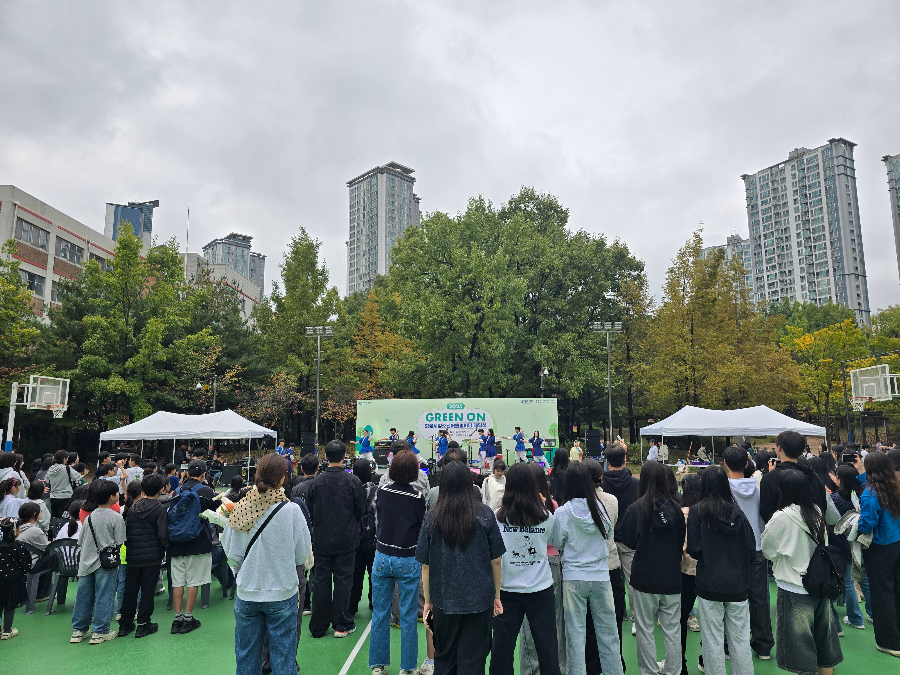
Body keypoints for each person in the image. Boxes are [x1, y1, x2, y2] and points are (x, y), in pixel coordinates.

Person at [223, 453, 311, 675]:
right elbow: (302, 557)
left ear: (256, 475)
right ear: (283, 478)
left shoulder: (241, 509)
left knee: (246, 658)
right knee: (284, 659)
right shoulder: (292, 511)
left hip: (247, 592)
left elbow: (232, 554)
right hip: (282, 592)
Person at [416, 462, 506, 675]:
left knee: (444, 658)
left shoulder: (433, 517)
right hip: (479, 599)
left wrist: (427, 600)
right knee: (473, 661)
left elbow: (425, 565)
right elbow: (496, 560)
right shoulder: (484, 514)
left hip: (444, 600)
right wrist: (497, 595)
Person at [762, 469, 843, 673]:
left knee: (800, 648)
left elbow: (768, 549)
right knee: (824, 642)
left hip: (794, 586)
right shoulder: (816, 510)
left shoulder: (781, 517)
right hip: (820, 583)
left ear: (783, 490)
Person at [615, 461, 685, 675]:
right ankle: (674, 671)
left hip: (643, 577)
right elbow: (680, 539)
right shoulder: (676, 509)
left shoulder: (637, 508)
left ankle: (648, 671)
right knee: (672, 629)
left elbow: (626, 539)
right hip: (672, 578)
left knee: (645, 629)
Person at [490, 463, 561, 675]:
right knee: (547, 648)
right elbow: (554, 542)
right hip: (540, 589)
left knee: (502, 649)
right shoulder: (546, 516)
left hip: (506, 590)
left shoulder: (497, 517)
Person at [553, 461, 622, 675]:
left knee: (575, 636)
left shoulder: (563, 512)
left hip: (573, 579)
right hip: (601, 577)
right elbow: (608, 537)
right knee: (609, 635)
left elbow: (556, 543)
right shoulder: (602, 507)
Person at [686, 465, 755, 675]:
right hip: (738, 586)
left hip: (709, 584)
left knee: (712, 640)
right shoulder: (738, 513)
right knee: (741, 640)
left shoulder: (698, 511)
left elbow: (694, 549)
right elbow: (751, 549)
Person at [368, 450, 426, 675]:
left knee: (380, 612)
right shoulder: (418, 498)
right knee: (409, 614)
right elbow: (420, 528)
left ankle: (378, 666)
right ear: (414, 472)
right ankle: (408, 667)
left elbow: (377, 519)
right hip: (407, 557)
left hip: (382, 555)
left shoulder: (381, 491)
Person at [306, 439, 365, 639]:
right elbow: (360, 511)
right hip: (346, 539)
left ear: (325, 457)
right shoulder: (353, 481)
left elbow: (311, 512)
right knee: (343, 580)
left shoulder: (316, 482)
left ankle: (318, 626)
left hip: (321, 539)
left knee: (321, 580)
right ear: (344, 457)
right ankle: (341, 623)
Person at [724, 445, 773, 661]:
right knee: (759, 598)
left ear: (725, 464)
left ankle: (729, 644)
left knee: (730, 599)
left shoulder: (723, 490)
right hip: (758, 548)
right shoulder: (759, 490)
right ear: (747, 464)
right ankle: (763, 646)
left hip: (731, 551)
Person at [519, 463, 566, 675]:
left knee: (529, 625)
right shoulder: (553, 505)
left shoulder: (516, 508)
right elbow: (555, 539)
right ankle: (558, 668)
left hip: (529, 566)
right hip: (553, 563)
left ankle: (531, 670)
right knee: (555, 621)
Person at [167, 459, 222, 635]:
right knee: (193, 581)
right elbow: (217, 510)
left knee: (178, 581)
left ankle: (177, 618)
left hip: (175, 542)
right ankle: (188, 618)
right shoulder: (206, 492)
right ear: (204, 474)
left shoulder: (176, 491)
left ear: (187, 473)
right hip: (198, 541)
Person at [70, 479, 126, 645]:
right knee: (105, 595)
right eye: (117, 492)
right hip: (105, 563)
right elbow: (119, 542)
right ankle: (100, 631)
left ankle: (79, 630)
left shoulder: (88, 517)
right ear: (111, 497)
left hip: (86, 561)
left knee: (83, 596)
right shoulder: (116, 517)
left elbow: (80, 541)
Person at [858, 452, 900, 657]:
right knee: (897, 589)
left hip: (880, 547)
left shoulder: (870, 494)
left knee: (882, 595)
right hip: (897, 541)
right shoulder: (895, 488)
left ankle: (889, 642)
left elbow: (867, 525)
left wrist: (857, 521)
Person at [117, 473, 168, 639]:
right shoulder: (160, 509)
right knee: (147, 591)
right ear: (161, 490)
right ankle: (144, 623)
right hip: (152, 556)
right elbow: (163, 535)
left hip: (132, 555)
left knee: (130, 590)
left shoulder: (132, 509)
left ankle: (125, 624)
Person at [831, 465, 872, 630]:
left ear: (840, 479)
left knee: (847, 581)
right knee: (865, 580)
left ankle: (855, 618)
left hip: (841, 545)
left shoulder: (834, 500)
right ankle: (874, 612)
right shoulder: (862, 496)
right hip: (860, 543)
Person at [760, 430, 827, 522]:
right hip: (812, 529)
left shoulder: (769, 478)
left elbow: (766, 512)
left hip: (782, 532)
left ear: (779, 447)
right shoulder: (813, 475)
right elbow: (823, 506)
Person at [678, 473, 701, 671]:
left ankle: (679, 663)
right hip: (707, 570)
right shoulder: (706, 510)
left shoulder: (683, 513)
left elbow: (683, 545)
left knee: (680, 617)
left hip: (686, 570)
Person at [349, 457, 377, 616]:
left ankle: (352, 605)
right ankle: (373, 602)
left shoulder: (350, 490)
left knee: (355, 573)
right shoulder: (377, 490)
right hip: (373, 539)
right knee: (374, 574)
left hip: (354, 539)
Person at [0, 516, 32, 641]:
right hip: (12, 580)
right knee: (9, 605)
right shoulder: (18, 546)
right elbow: (26, 564)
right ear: (15, 530)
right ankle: (7, 631)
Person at [46, 450, 78, 518]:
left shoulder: (50, 468)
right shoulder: (66, 468)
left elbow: (47, 480)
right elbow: (77, 476)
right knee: (63, 518)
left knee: (54, 517)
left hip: (53, 496)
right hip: (65, 496)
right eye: (67, 458)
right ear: (64, 459)